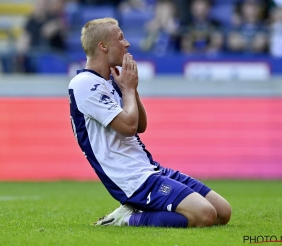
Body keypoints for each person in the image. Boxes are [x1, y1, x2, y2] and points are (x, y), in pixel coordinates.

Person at [68, 17, 231, 228]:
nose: (126, 43)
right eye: (120, 38)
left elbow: (140, 126)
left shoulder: (111, 80)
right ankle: (125, 219)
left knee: (222, 212)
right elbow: (128, 128)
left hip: (149, 168)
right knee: (204, 215)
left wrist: (131, 89)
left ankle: (140, 209)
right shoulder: (84, 84)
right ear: (103, 46)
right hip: (131, 179)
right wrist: (127, 89)